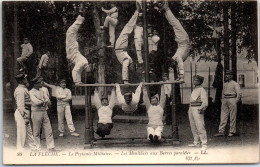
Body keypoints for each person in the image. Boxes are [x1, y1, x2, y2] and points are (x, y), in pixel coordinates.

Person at [158, 1, 190, 81]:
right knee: (175, 23)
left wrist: (179, 78)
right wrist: (181, 78)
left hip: (182, 41)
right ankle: (167, 9)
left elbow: (179, 66)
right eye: (172, 64)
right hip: (183, 40)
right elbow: (180, 66)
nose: (172, 64)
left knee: (174, 24)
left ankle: (166, 11)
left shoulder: (175, 57)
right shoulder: (177, 58)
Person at [29, 77, 60, 151]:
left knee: (48, 129)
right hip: (36, 112)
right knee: (36, 131)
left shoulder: (42, 90)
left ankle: (51, 147)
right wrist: (44, 101)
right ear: (35, 84)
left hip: (44, 111)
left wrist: (43, 101)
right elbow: (36, 102)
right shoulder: (31, 92)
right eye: (39, 82)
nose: (41, 83)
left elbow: (48, 101)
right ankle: (37, 147)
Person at [115, 1, 141, 84]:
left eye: (133, 67)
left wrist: (126, 81)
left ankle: (137, 12)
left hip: (120, 47)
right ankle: (137, 13)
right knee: (128, 27)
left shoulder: (127, 61)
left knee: (128, 27)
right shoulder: (130, 60)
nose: (133, 66)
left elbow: (125, 68)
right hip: (122, 48)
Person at [66, 4, 92, 85]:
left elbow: (75, 70)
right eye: (89, 69)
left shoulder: (83, 63)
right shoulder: (84, 63)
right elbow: (78, 72)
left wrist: (76, 82)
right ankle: (81, 15)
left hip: (72, 51)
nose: (88, 70)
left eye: (88, 71)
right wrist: (79, 81)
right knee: (71, 32)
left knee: (70, 32)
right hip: (72, 52)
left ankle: (81, 15)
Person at [14, 73, 39, 151]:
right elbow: (20, 106)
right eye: (25, 78)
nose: (26, 79)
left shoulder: (23, 88)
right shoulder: (20, 90)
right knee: (21, 132)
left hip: (26, 112)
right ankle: (20, 150)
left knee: (28, 131)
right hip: (22, 113)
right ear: (22, 80)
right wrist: (25, 117)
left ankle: (33, 147)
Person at [214, 70, 241, 137]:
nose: (227, 76)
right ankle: (221, 131)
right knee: (223, 115)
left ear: (232, 76)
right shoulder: (225, 84)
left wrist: (236, 100)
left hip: (232, 99)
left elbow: (239, 94)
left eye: (229, 75)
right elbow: (223, 93)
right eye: (226, 74)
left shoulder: (235, 84)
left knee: (232, 116)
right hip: (225, 99)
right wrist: (222, 99)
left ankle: (232, 131)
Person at [188, 75, 208, 152]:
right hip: (191, 108)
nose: (194, 81)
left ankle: (204, 143)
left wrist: (201, 108)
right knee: (193, 125)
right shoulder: (195, 89)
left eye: (196, 80)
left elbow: (205, 102)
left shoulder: (201, 90)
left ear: (200, 81)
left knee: (200, 126)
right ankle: (196, 142)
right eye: (194, 80)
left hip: (197, 109)